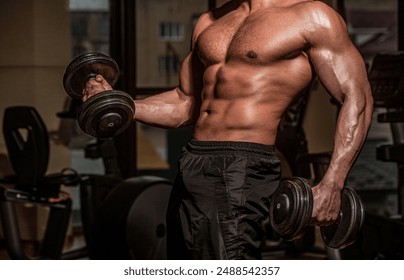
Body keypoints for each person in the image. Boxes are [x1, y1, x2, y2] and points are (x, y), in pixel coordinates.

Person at [83, 0, 373, 259]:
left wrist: (333, 183)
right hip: (192, 162)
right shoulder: (210, 22)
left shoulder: (312, 17)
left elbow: (356, 98)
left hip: (240, 164)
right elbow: (185, 103)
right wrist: (117, 102)